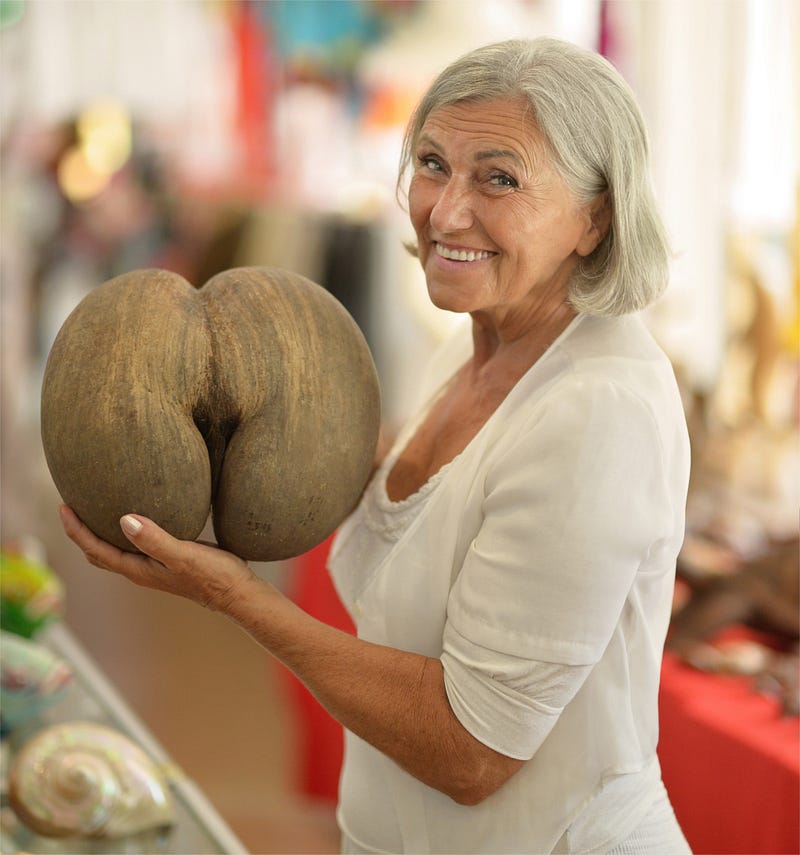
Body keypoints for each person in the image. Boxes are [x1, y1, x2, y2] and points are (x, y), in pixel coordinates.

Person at [59, 37, 692, 855]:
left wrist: (236, 598)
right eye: (433, 164)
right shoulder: (467, 354)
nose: (446, 210)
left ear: (597, 212)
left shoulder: (600, 410)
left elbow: (473, 750)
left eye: (499, 177)